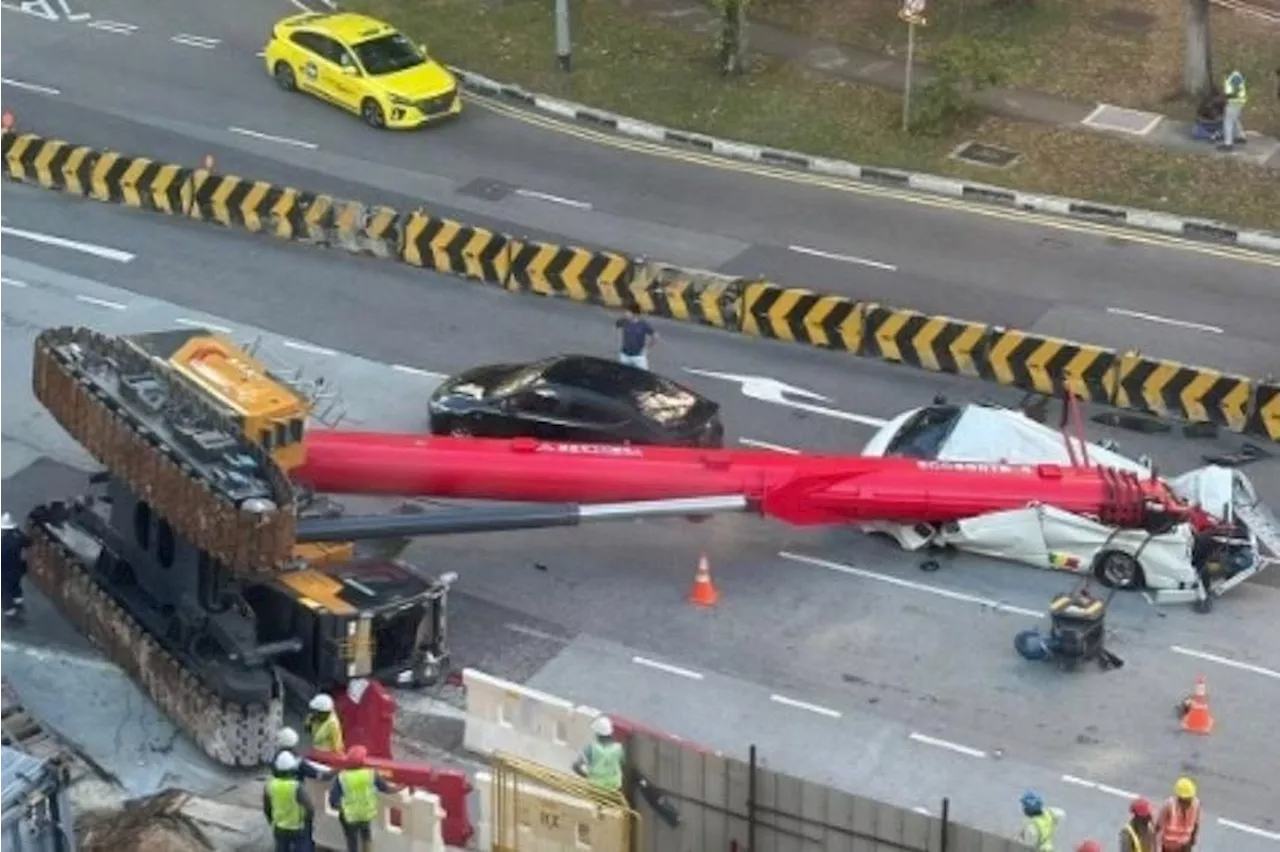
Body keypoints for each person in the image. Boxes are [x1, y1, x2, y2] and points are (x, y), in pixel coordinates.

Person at [328, 745, 399, 852]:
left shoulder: (341, 777)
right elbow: (387, 789)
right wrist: (402, 787)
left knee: (352, 842)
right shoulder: (371, 774)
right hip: (366, 814)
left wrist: (343, 809)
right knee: (366, 838)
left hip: (349, 817)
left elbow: (333, 801)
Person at [263, 752, 315, 852]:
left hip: (279, 827)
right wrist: (308, 822)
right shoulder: (296, 786)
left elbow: (267, 807)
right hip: (297, 827)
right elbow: (309, 808)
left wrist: (271, 821)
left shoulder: (269, 785)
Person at [572, 715, 624, 793]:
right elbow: (623, 764)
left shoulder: (591, 749)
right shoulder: (619, 748)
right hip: (615, 788)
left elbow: (576, 766)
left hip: (596, 788)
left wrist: (588, 776)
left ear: (597, 734)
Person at [0, 512, 30, 623]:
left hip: (3, 572)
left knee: (5, 592)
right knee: (15, 587)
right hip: (16, 570)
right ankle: (18, 605)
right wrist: (18, 530)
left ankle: (11, 616)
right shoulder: (17, 540)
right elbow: (28, 542)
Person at [1156, 778, 1201, 851]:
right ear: (1179, 798)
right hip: (1169, 847)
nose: (1188, 802)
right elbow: (1158, 827)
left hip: (1185, 845)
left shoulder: (1196, 804)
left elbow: (1196, 823)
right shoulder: (1169, 805)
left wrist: (1193, 840)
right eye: (1185, 800)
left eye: (1189, 799)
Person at [1220, 69, 1248, 151]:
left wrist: (1226, 97)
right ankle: (1240, 136)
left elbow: (1234, 91)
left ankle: (1228, 144)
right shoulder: (1237, 76)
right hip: (1238, 102)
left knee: (1228, 121)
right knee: (1235, 119)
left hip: (1233, 102)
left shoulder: (1234, 77)